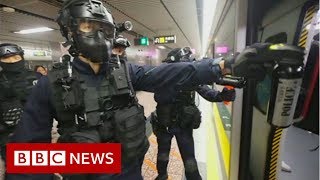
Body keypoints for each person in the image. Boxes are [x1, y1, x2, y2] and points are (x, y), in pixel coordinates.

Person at [151, 47, 236, 180]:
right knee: (177, 155)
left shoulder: (170, 76)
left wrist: (222, 96)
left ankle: (164, 176)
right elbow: (207, 92)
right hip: (171, 123)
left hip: (173, 123)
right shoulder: (186, 77)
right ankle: (163, 175)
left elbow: (207, 92)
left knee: (178, 155)